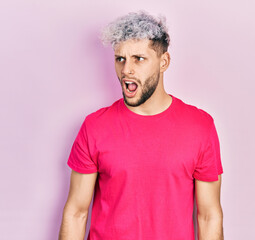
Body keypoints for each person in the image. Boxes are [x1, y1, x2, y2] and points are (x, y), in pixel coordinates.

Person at [59, 11, 224, 240]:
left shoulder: (200, 127)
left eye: (139, 59)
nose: (126, 70)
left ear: (163, 62)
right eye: (120, 59)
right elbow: (76, 212)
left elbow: (209, 216)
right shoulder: (94, 127)